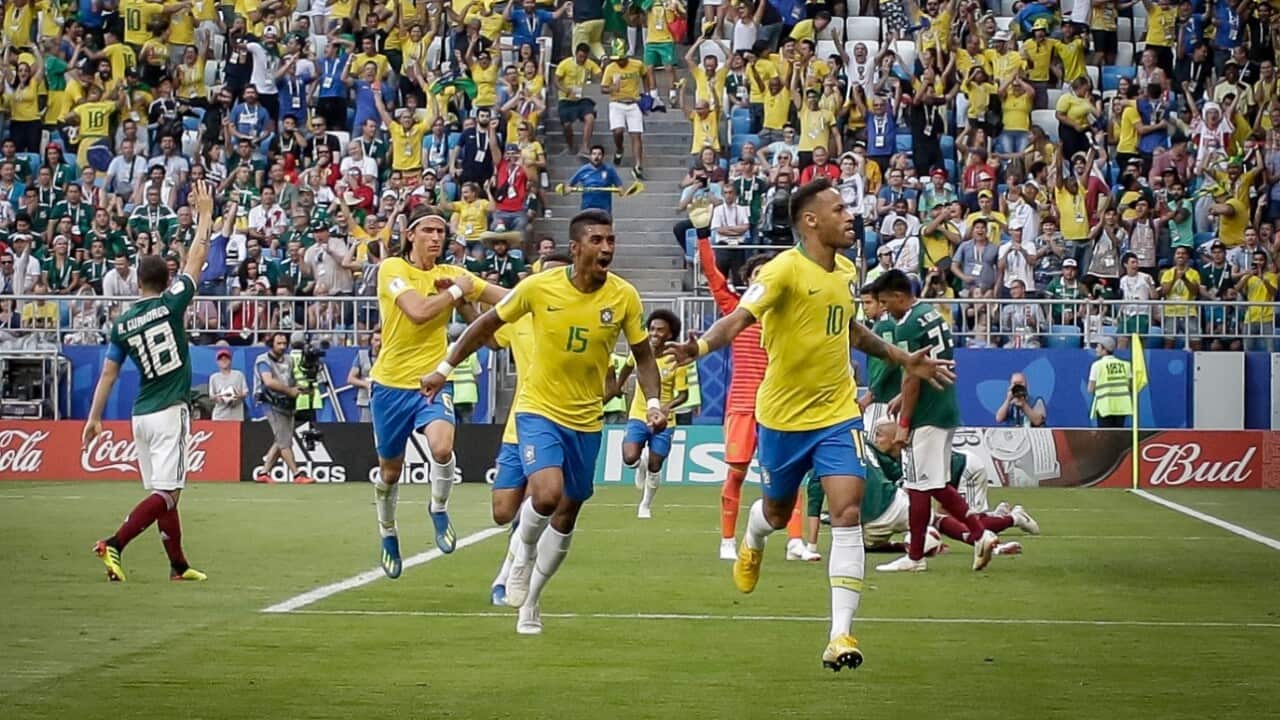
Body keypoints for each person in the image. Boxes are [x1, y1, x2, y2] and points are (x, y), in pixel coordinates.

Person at [664, 179, 955, 672]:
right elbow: (737, 318)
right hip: (782, 417)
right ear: (811, 221)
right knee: (777, 514)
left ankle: (840, 634)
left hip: (837, 414)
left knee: (847, 511)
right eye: (839, 209)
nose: (850, 216)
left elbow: (851, 329)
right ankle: (753, 539)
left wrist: (905, 358)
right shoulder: (782, 270)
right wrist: (698, 348)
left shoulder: (846, 270)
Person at [421, 209, 666, 636]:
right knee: (547, 495)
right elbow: (484, 325)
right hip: (538, 410)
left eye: (611, 240)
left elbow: (644, 356)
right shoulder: (537, 289)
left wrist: (655, 403)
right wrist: (443, 369)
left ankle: (531, 600)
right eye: (597, 240)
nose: (606, 248)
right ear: (576, 247)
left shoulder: (624, 296)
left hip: (586, 420)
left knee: (567, 515)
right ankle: (521, 553)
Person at [82, 180, 216, 583]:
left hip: (140, 414)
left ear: (138, 282)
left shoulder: (122, 323)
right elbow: (198, 257)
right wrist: (205, 214)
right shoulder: (172, 303)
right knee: (168, 494)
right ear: (165, 280)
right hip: (170, 411)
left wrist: (94, 418)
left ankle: (178, 566)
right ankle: (114, 543)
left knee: (165, 494)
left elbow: (108, 374)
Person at [368, 204, 506, 579]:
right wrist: (457, 292)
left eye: (441, 232)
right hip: (390, 385)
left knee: (442, 448)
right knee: (390, 472)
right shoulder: (393, 269)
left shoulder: (451, 274)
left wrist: (550, 292)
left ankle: (439, 507)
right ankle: (388, 531)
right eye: (428, 230)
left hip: (430, 382)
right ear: (410, 234)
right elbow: (418, 311)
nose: (435, 237)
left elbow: (509, 297)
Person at [870, 269, 998, 574]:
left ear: (900, 296)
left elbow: (913, 375)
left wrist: (904, 423)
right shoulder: (931, 313)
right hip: (944, 406)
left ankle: (917, 557)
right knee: (933, 484)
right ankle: (979, 534)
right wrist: (902, 396)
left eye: (886, 302)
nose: (885, 308)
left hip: (926, 414)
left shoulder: (908, 325)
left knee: (917, 485)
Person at [695, 237, 809, 560]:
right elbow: (712, 275)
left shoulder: (787, 315)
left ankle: (795, 542)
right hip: (743, 405)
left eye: (768, 273)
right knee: (736, 473)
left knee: (790, 474)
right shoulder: (735, 310)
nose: (763, 278)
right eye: (757, 273)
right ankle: (727, 541)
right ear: (748, 281)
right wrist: (702, 236)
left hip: (779, 405)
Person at [486, 252, 573, 607]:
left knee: (540, 500)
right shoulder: (520, 315)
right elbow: (491, 339)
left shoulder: (577, 320)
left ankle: (507, 576)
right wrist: (463, 303)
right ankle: (522, 550)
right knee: (503, 511)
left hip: (558, 424)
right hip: (517, 424)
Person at [862, 421, 1039, 556]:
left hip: (966, 471)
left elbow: (917, 489)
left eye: (879, 435)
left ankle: (1013, 519)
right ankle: (993, 526)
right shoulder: (881, 453)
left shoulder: (907, 455)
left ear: (895, 438)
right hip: (934, 486)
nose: (875, 439)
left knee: (958, 519)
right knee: (941, 519)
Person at [609, 310, 689, 520]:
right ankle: (640, 465)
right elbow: (627, 367)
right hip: (639, 414)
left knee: (656, 465)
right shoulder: (640, 353)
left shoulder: (676, 360)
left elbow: (684, 394)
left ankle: (645, 505)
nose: (654, 333)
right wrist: (618, 387)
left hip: (664, 421)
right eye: (651, 329)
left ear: (670, 334)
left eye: (659, 330)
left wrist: (667, 407)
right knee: (630, 458)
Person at [253, 332, 313, 484]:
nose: (282, 347)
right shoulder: (263, 360)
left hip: (286, 403)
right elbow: (268, 382)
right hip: (270, 401)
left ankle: (263, 473)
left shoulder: (289, 360)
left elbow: (292, 380)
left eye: (284, 344)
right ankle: (297, 475)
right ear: (271, 344)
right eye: (278, 343)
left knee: (281, 439)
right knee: (285, 441)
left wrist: (301, 388)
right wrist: (290, 391)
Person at [1087, 336, 1133, 428]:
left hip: (1105, 406)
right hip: (1122, 406)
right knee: (1118, 434)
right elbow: (1130, 386)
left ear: (1104, 349)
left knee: (1106, 435)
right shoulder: (1126, 365)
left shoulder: (1097, 365)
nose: (1096, 349)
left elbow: (1090, 389)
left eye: (1098, 347)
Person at [346, 328, 381, 423]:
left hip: (384, 401)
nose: (379, 344)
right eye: (376, 340)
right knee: (366, 428)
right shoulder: (362, 355)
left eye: (381, 341)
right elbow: (350, 379)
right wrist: (366, 384)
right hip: (365, 401)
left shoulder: (389, 357)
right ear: (371, 341)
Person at [208, 347, 248, 421]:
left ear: (230, 360)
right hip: (219, 417)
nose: (224, 361)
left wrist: (236, 396)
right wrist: (219, 397)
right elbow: (211, 396)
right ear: (217, 362)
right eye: (221, 359)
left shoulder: (239, 375)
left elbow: (245, 393)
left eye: (226, 359)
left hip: (236, 417)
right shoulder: (214, 377)